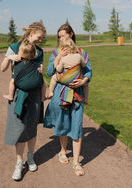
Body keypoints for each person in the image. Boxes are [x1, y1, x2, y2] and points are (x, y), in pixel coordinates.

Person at [44, 24, 92, 176]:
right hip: (61, 94)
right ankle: (63, 151)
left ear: (71, 34)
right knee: (63, 123)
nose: (61, 38)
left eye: (63, 35)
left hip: (77, 95)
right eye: (59, 36)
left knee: (77, 126)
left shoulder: (81, 53)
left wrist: (83, 81)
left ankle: (77, 162)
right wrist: (57, 58)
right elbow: (49, 72)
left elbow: (88, 71)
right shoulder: (55, 52)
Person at [1, 22, 46, 181]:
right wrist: (9, 59)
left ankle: (30, 156)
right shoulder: (14, 47)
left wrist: (41, 71)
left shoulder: (39, 52)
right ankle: (19, 162)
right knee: (19, 128)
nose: (40, 40)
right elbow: (2, 68)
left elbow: (38, 71)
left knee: (31, 127)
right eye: (39, 37)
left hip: (34, 96)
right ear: (31, 32)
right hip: (19, 95)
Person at [47, 37, 87, 105]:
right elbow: (84, 65)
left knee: (54, 77)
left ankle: (50, 92)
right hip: (77, 79)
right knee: (85, 84)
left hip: (65, 80)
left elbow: (59, 70)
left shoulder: (63, 59)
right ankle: (86, 99)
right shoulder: (79, 56)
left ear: (62, 49)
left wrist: (56, 65)